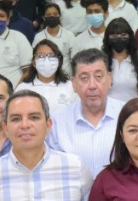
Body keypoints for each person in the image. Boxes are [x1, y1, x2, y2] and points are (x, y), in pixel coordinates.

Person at [48, 48, 125, 177]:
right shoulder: (56, 122)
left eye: (98, 77)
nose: (92, 86)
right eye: (84, 78)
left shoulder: (128, 115)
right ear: (74, 84)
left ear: (109, 79)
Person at [22, 38, 76, 111]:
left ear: (58, 61)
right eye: (41, 56)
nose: (46, 60)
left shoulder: (70, 87)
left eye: (51, 56)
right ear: (34, 62)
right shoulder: (23, 88)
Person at [103, 19, 138, 102]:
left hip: (132, 109)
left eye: (123, 35)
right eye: (114, 35)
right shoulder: (102, 64)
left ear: (130, 37)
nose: (119, 38)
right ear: (108, 38)